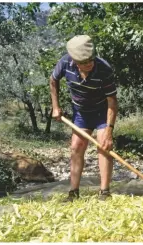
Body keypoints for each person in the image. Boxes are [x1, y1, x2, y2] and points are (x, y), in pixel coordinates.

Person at [49, 35, 118, 202]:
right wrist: (56, 107)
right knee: (76, 147)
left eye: (91, 60)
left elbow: (112, 101)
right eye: (84, 62)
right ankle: (73, 192)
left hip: (102, 111)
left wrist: (109, 131)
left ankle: (104, 192)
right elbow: (53, 80)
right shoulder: (65, 63)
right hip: (81, 113)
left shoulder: (104, 69)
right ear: (74, 60)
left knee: (104, 146)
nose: (89, 64)